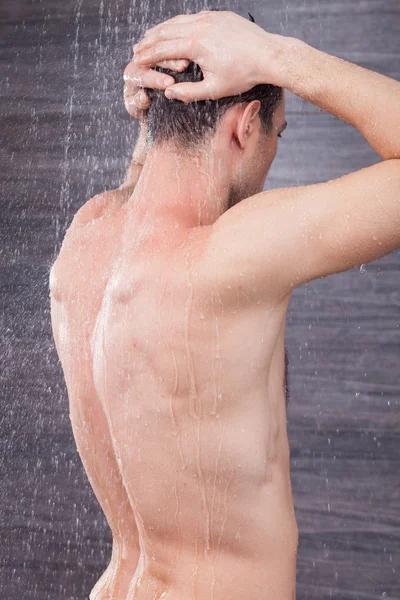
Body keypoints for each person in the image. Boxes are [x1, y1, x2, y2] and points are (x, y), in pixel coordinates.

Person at [49, 9, 400, 600]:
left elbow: (149, 185)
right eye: (277, 134)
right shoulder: (232, 255)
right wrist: (278, 57)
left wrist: (161, 118)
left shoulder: (89, 236)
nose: (272, 157)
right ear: (246, 123)